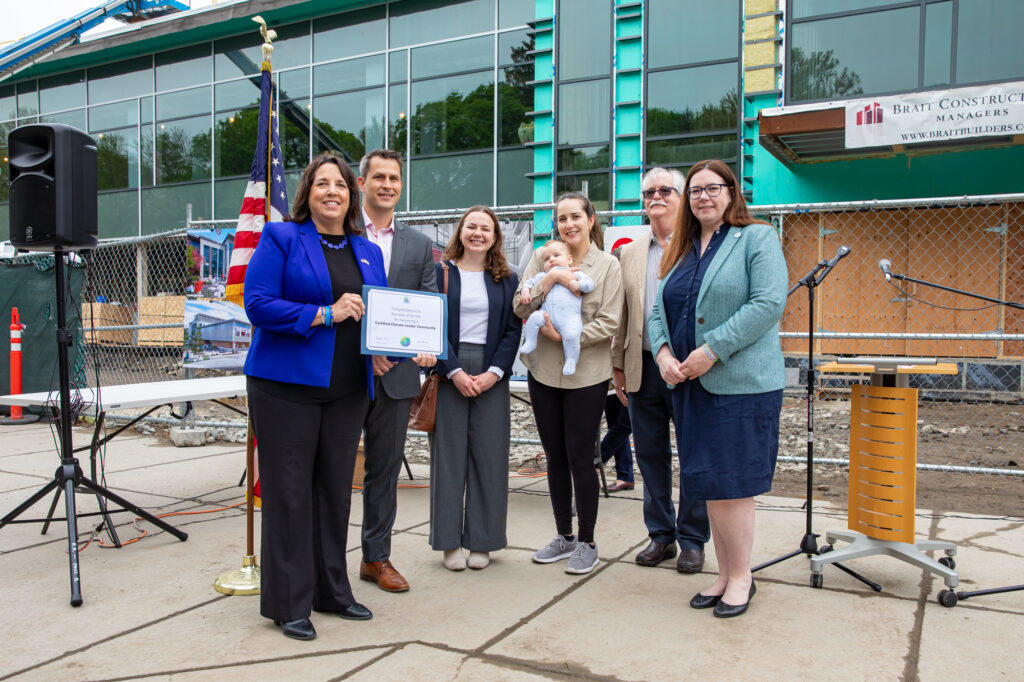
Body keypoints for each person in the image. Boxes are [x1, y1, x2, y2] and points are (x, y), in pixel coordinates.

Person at [243, 152, 434, 641]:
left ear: (352, 196)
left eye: (342, 186)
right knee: (289, 495)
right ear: (307, 192)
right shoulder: (281, 237)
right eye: (323, 183)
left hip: (348, 388)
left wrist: (393, 349)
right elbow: (258, 305)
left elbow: (376, 315)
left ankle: (332, 590)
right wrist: (324, 314)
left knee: (333, 493)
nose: (333, 192)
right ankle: (289, 602)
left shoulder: (364, 248)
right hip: (286, 388)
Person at [648, 159, 787, 618]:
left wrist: (712, 350)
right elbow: (657, 311)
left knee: (733, 486)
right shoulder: (681, 247)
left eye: (713, 188)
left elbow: (767, 303)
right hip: (688, 385)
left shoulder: (758, 238)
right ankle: (726, 573)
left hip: (739, 385)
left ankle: (742, 577)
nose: (703, 197)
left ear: (731, 192)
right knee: (709, 483)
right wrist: (664, 353)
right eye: (695, 191)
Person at [515, 192, 623, 575]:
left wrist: (566, 338)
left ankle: (588, 540)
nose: (569, 224)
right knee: (554, 456)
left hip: (585, 375)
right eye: (562, 218)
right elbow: (519, 304)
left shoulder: (607, 265)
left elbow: (610, 320)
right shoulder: (542, 257)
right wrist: (552, 278)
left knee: (581, 456)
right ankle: (564, 535)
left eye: (576, 216)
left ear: (590, 219)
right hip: (543, 371)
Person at [611, 167, 710, 572]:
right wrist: (617, 365)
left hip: (691, 368)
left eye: (665, 190)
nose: (656, 197)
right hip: (643, 367)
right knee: (650, 456)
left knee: (694, 455)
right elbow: (623, 312)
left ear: (682, 196)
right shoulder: (631, 251)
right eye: (649, 191)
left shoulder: (701, 246)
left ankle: (692, 540)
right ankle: (661, 536)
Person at [357, 149, 438, 594]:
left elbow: (426, 305)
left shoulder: (418, 244)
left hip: (397, 377)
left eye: (395, 178)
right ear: (362, 182)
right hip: (345, 373)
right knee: (329, 469)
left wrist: (417, 352)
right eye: (379, 177)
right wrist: (365, 351)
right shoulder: (340, 232)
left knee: (384, 473)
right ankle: (325, 558)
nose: (388, 185)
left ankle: (376, 558)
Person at [429, 206, 521, 571]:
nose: (478, 233)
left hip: (491, 372)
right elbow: (431, 325)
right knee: (448, 459)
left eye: (486, 228)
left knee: (489, 457)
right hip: (450, 370)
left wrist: (495, 372)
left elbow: (514, 329)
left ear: (495, 236)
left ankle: (483, 540)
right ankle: (449, 542)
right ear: (460, 232)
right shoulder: (441, 274)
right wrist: (453, 371)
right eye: (471, 227)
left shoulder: (507, 279)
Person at [518, 240, 594, 375]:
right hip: (546, 314)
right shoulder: (542, 276)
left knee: (572, 335)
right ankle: (531, 341)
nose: (551, 260)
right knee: (534, 318)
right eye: (546, 259)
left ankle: (571, 359)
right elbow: (528, 283)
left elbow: (590, 284)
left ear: (569, 259)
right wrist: (525, 291)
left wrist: (579, 285)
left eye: (556, 255)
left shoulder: (576, 274)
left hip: (569, 318)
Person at [598, 392, 634, 492]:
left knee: (625, 424)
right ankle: (625, 475)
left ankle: (594, 460)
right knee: (614, 423)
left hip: (630, 382)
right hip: (610, 382)